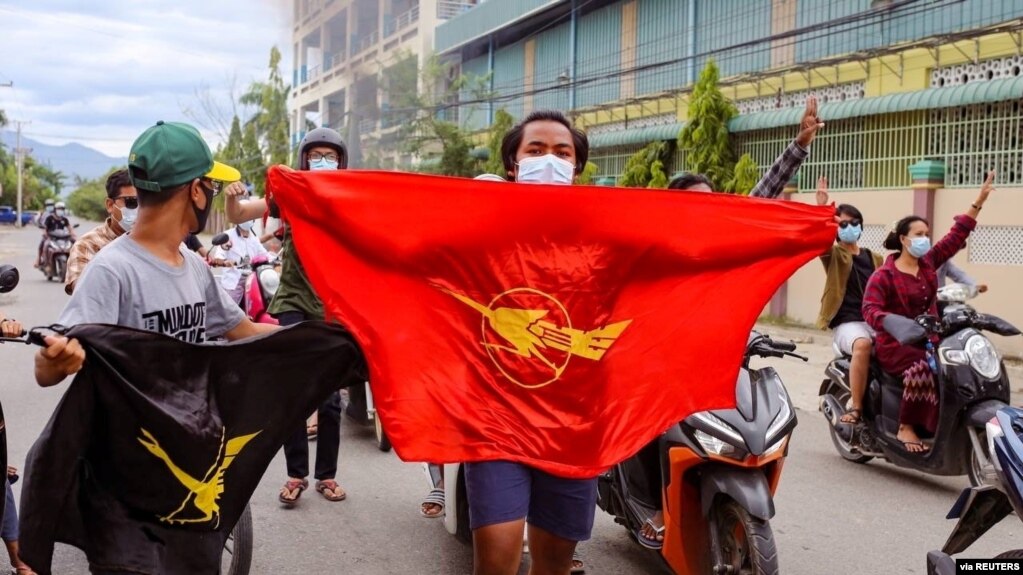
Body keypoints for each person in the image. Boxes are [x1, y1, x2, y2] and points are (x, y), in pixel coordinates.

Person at [639, 96, 825, 550]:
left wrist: (798, 147)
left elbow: (759, 200)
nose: (703, 210)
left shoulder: (725, 241)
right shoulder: (656, 249)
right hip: (662, 362)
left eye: (709, 202)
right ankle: (654, 510)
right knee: (651, 430)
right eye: (691, 203)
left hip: (719, 359)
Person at [453, 110, 593, 575]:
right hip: (496, 418)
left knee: (553, 564)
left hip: (573, 425)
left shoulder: (602, 233)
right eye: (536, 151)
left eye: (562, 152)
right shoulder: (480, 229)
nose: (549, 160)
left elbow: (702, 238)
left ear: (576, 167)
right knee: (495, 555)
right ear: (513, 165)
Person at [225, 127, 350, 507]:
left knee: (330, 400)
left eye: (330, 155)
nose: (322, 161)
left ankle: (326, 477)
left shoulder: (349, 199)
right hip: (294, 301)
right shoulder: (289, 195)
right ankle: (296, 474)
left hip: (334, 307)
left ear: (341, 162)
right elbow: (242, 213)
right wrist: (233, 199)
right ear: (304, 159)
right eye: (316, 155)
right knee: (294, 393)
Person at [862, 171, 995, 452]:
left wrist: (979, 200)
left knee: (957, 369)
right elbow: (870, 309)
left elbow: (956, 235)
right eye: (919, 235)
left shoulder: (928, 262)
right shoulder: (883, 275)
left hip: (929, 338)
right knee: (921, 368)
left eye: (926, 234)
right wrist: (891, 321)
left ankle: (940, 426)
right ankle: (905, 427)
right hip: (896, 343)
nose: (925, 239)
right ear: (903, 239)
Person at [810, 175, 883, 429]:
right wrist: (822, 211)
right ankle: (857, 406)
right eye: (843, 223)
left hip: (874, 320)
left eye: (854, 223)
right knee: (862, 345)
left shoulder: (875, 258)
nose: (850, 227)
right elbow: (819, 243)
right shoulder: (834, 254)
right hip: (847, 324)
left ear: (861, 226)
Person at [667, 94, 825, 199]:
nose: (704, 209)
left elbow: (768, 187)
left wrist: (801, 143)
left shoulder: (728, 234)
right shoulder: (658, 246)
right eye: (695, 202)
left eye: (709, 200)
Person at [65, 169, 138, 295]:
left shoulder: (160, 243)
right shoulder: (87, 245)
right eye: (131, 202)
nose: (139, 209)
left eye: (146, 202)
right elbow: (84, 293)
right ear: (110, 205)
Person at [210, 220, 269, 305]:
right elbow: (219, 256)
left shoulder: (254, 239)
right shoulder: (227, 236)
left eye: (250, 217)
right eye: (245, 217)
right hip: (234, 281)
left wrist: (276, 259)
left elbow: (265, 255)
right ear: (238, 218)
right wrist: (224, 262)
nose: (248, 219)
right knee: (230, 311)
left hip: (252, 280)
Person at [36, 201, 75, 269]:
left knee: (75, 243)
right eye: (59, 209)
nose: (60, 210)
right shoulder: (50, 218)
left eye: (62, 209)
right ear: (55, 209)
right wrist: (45, 233)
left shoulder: (64, 219)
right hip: (51, 237)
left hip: (63, 238)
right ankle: (40, 260)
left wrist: (73, 234)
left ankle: (75, 262)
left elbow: (69, 227)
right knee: (43, 244)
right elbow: (45, 227)